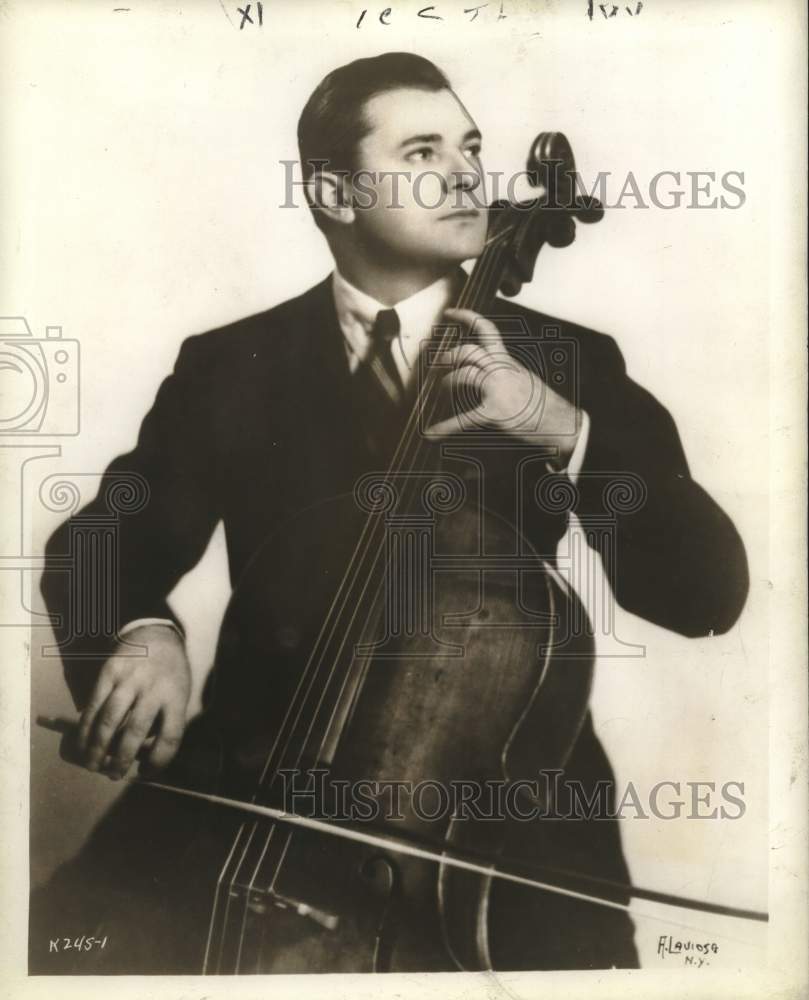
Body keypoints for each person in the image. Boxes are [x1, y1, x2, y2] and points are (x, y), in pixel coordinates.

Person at [30, 52, 749, 974]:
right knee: (66, 951)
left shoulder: (567, 363)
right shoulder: (231, 364)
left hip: (493, 831)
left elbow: (705, 592)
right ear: (333, 193)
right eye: (421, 151)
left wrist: (564, 429)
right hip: (253, 795)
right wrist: (136, 628)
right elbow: (103, 537)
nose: (464, 175)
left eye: (471, 147)